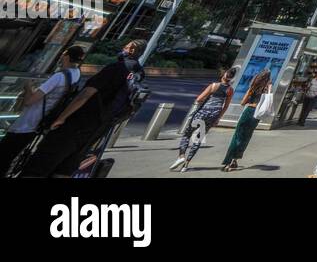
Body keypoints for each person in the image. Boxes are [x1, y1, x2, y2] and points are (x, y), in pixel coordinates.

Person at [20, 40, 146, 178]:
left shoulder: (116, 68)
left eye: (126, 46)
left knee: (39, 166)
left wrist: (61, 118)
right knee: (64, 169)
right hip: (97, 129)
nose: (123, 48)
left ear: (132, 50)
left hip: (76, 123)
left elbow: (85, 94)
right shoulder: (139, 72)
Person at [0, 46, 85, 177]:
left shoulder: (59, 76)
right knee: (11, 157)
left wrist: (28, 87)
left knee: (4, 156)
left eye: (63, 54)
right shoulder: (77, 74)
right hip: (41, 122)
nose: (61, 56)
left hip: (26, 123)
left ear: (67, 56)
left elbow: (29, 101)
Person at [170, 68, 235, 172]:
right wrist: (218, 118)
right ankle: (186, 165)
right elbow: (225, 106)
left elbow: (199, 99)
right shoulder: (230, 90)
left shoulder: (213, 86)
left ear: (224, 75)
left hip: (202, 113)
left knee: (187, 134)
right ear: (231, 78)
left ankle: (181, 156)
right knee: (198, 139)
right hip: (213, 115)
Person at [220, 68, 271, 172]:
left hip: (249, 111)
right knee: (246, 138)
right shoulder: (268, 88)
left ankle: (228, 162)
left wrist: (248, 99)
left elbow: (242, 102)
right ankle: (234, 160)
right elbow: (268, 98)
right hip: (257, 115)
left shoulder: (253, 87)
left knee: (237, 136)